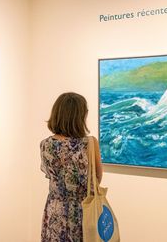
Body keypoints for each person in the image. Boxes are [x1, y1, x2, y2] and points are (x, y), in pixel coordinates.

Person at [40, 92, 103, 242]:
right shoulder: (90, 143)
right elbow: (97, 179)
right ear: (80, 116)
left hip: (55, 211)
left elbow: (51, 175)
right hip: (83, 212)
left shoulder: (45, 144)